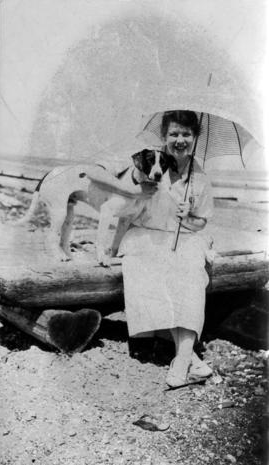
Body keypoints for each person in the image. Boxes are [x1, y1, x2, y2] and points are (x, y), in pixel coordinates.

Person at [115, 110, 214, 388]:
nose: (180, 140)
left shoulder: (200, 178)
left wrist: (189, 215)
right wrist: (137, 192)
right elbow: (125, 209)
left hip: (185, 237)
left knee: (191, 272)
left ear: (195, 137)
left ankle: (181, 360)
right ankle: (189, 358)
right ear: (164, 136)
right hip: (146, 234)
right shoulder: (150, 165)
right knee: (152, 265)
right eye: (174, 134)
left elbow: (201, 221)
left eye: (186, 134)